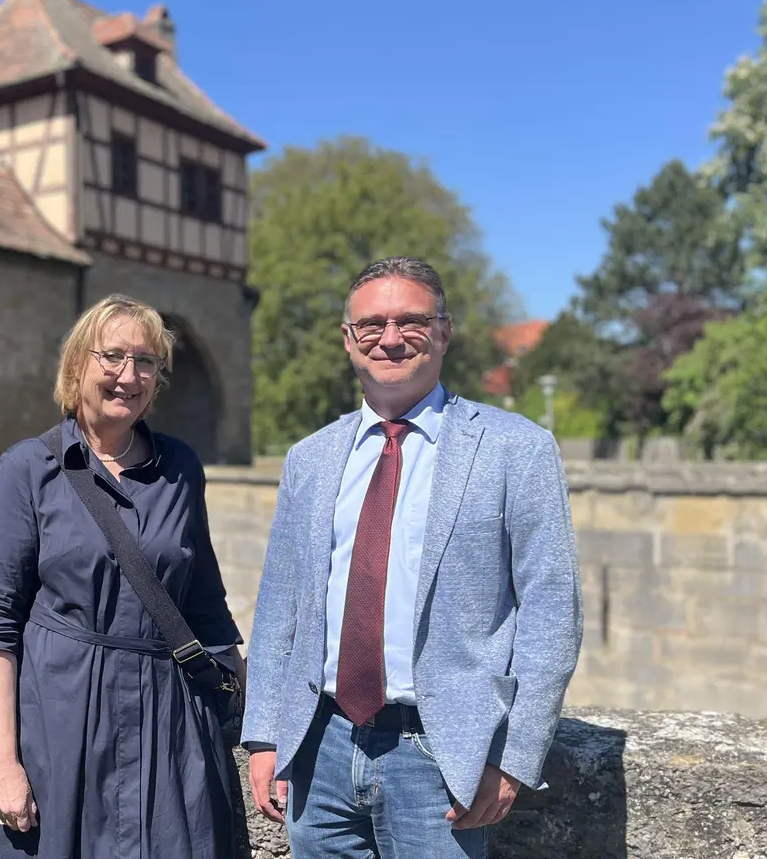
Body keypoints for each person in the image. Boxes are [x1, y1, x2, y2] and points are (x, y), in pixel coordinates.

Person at [240, 256, 582, 859]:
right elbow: (279, 609)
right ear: (349, 340)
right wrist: (266, 734)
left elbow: (551, 614)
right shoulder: (310, 459)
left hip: (440, 758)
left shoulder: (516, 450)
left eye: (412, 321)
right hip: (318, 748)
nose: (391, 339)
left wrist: (513, 757)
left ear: (444, 332)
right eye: (371, 325)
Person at [0, 294, 247, 859]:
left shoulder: (180, 467)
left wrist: (253, 729)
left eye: (146, 362)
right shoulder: (28, 467)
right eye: (112, 356)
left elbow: (205, 604)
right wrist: (3, 763)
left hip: (167, 720)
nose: (127, 375)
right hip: (56, 722)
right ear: (77, 363)